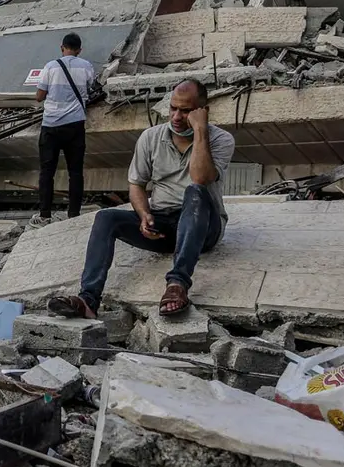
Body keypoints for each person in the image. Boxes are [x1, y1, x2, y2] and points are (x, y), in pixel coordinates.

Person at [47, 79, 235, 318]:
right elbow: (136, 184)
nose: (176, 116)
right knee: (106, 218)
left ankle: (177, 284)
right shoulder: (150, 137)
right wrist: (144, 214)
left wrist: (200, 131)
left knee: (195, 191)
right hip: (163, 226)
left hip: (203, 227)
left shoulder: (221, 140)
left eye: (186, 111)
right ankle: (88, 300)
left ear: (202, 111)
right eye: (173, 108)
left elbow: (200, 177)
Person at [31, 32, 95, 228]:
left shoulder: (50, 66)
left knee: (46, 172)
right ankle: (73, 214)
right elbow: (90, 88)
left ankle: (45, 215)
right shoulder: (87, 66)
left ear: (62, 47)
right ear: (79, 50)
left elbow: (39, 96)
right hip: (75, 125)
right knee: (75, 171)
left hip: (51, 126)